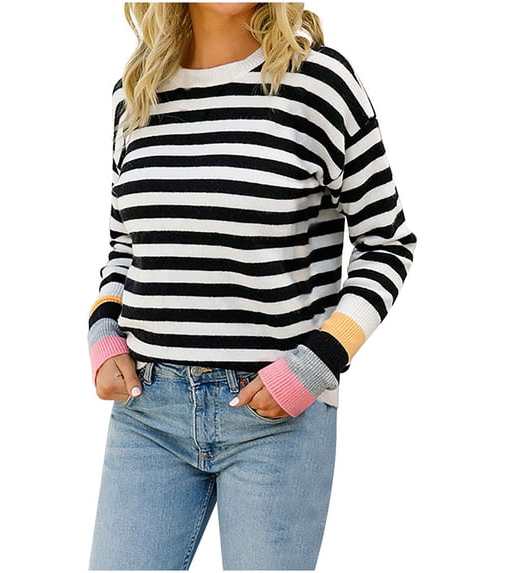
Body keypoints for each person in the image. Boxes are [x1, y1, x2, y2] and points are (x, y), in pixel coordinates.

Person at [88, 2, 417, 570]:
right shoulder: (135, 92)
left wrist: (318, 362)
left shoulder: (321, 85)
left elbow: (387, 243)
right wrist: (104, 333)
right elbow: (126, 244)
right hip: (148, 410)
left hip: (276, 415)